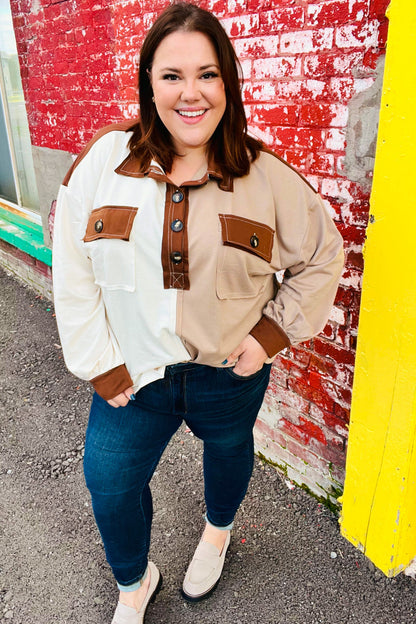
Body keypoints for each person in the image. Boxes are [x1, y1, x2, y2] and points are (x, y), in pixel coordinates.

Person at [52, 2, 344, 622]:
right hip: (134, 378)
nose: (191, 94)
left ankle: (218, 532)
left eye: (208, 74)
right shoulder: (102, 163)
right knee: (109, 484)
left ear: (228, 83)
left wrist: (269, 336)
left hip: (227, 375)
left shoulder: (265, 176)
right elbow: (74, 271)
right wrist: (97, 364)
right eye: (172, 75)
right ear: (148, 83)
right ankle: (135, 582)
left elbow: (323, 254)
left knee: (229, 454)